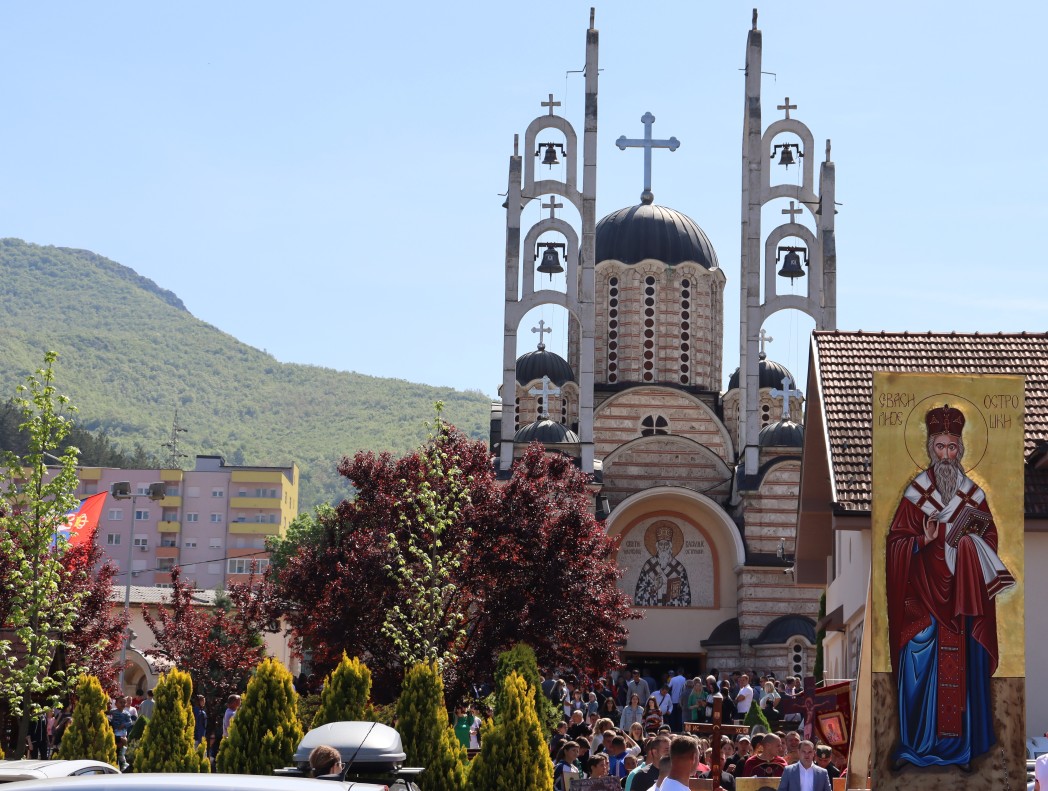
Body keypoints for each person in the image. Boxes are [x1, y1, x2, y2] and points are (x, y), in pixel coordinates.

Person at [886, 405, 1014, 771]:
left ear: (960, 449)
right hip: (921, 600)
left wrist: (971, 544)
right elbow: (895, 544)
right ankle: (916, 745)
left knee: (962, 670)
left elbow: (990, 537)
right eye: (940, 446)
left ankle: (961, 750)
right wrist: (922, 541)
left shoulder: (973, 495)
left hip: (961, 601)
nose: (946, 454)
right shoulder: (916, 494)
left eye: (952, 447)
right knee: (917, 659)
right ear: (930, 448)